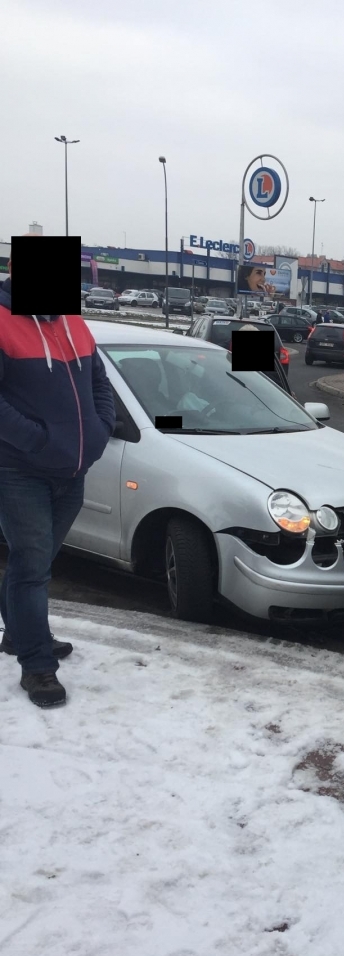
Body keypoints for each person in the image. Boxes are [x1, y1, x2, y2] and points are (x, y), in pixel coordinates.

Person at [0, 242, 116, 708]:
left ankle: (21, 633)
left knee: (36, 561)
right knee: (31, 564)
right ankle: (38, 666)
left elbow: (99, 382)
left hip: (73, 469)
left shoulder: (73, 322)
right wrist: (39, 439)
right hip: (19, 470)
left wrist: (101, 430)